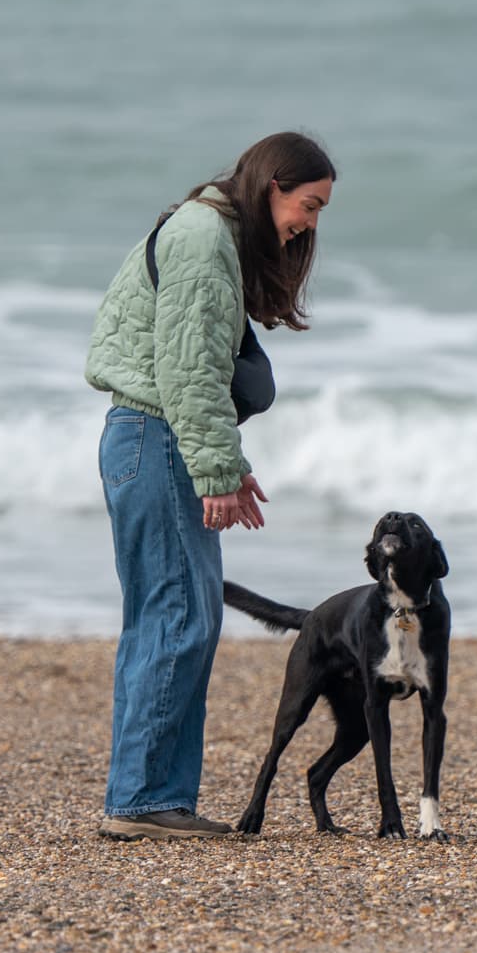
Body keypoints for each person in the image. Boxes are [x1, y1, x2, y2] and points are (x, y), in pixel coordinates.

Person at [85, 132, 336, 841]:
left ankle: (152, 798)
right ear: (272, 185)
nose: (308, 224)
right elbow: (189, 368)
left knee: (169, 616)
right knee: (177, 618)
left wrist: (228, 462)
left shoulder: (204, 229)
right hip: (155, 435)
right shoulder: (202, 237)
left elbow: (186, 370)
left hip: (151, 437)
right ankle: (142, 803)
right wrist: (215, 470)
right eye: (308, 205)